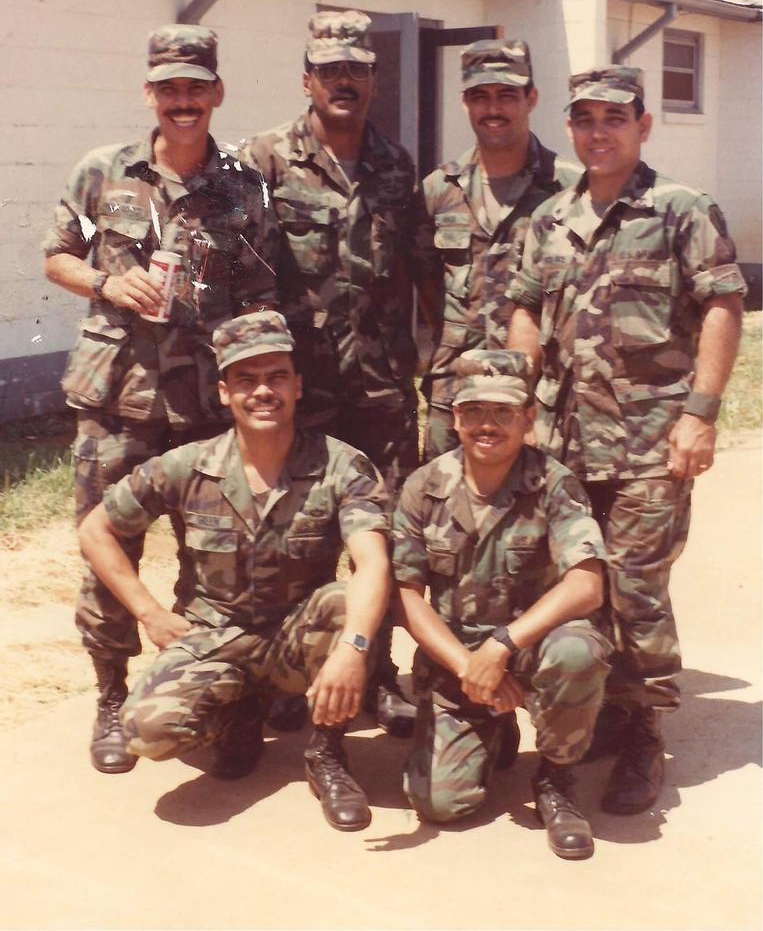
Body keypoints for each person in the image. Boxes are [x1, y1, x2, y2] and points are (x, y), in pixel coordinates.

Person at [507, 66, 746, 814]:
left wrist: (700, 413)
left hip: (649, 440)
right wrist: (517, 399)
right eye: (584, 119)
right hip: (563, 442)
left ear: (643, 125)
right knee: (574, 580)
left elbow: (722, 306)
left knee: (637, 588)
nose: (598, 132)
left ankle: (643, 728)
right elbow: (525, 308)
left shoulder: (681, 209)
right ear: (570, 128)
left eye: (614, 118)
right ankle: (602, 707)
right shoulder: (549, 218)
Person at [42, 24, 279, 775]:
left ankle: (207, 697)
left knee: (214, 563)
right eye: (169, 88)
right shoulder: (103, 174)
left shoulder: (243, 188)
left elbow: (261, 288)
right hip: (116, 400)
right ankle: (113, 698)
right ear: (149, 94)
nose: (183, 101)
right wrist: (107, 283)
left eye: (195, 88)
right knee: (110, 552)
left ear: (217, 93)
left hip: (205, 408)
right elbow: (57, 257)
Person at [78, 311, 391, 832]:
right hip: (213, 638)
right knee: (147, 730)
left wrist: (354, 649)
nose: (262, 391)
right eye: (246, 379)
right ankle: (236, 716)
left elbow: (374, 560)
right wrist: (150, 613)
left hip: (295, 638)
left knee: (346, 602)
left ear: (297, 386)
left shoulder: (342, 465)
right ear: (225, 393)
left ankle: (327, 753)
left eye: (276, 377)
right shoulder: (187, 464)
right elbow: (96, 529)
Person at [240, 10, 437, 735]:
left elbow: (419, 269)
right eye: (330, 71)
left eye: (356, 70)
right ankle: (292, 675)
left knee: (379, 534)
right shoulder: (263, 160)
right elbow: (238, 271)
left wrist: (435, 357)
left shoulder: (396, 166)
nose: (343, 82)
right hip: (299, 391)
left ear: (374, 80)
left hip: (380, 388)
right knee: (296, 534)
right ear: (307, 81)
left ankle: (377, 674)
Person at [393, 350, 611, 860]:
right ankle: (493, 727)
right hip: (458, 662)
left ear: (528, 417)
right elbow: (405, 597)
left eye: (503, 412)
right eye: (473, 411)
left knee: (577, 652)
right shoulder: (424, 488)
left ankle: (556, 778)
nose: (486, 425)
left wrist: (501, 646)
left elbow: (587, 585)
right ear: (454, 417)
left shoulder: (554, 483)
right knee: (440, 804)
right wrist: (469, 665)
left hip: (533, 649)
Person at [418, 39, 581, 462]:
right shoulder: (439, 189)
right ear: (465, 103)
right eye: (480, 96)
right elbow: (424, 282)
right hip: (455, 391)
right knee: (444, 499)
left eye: (507, 95)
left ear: (532, 98)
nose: (493, 109)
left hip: (538, 395)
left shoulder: (569, 189)